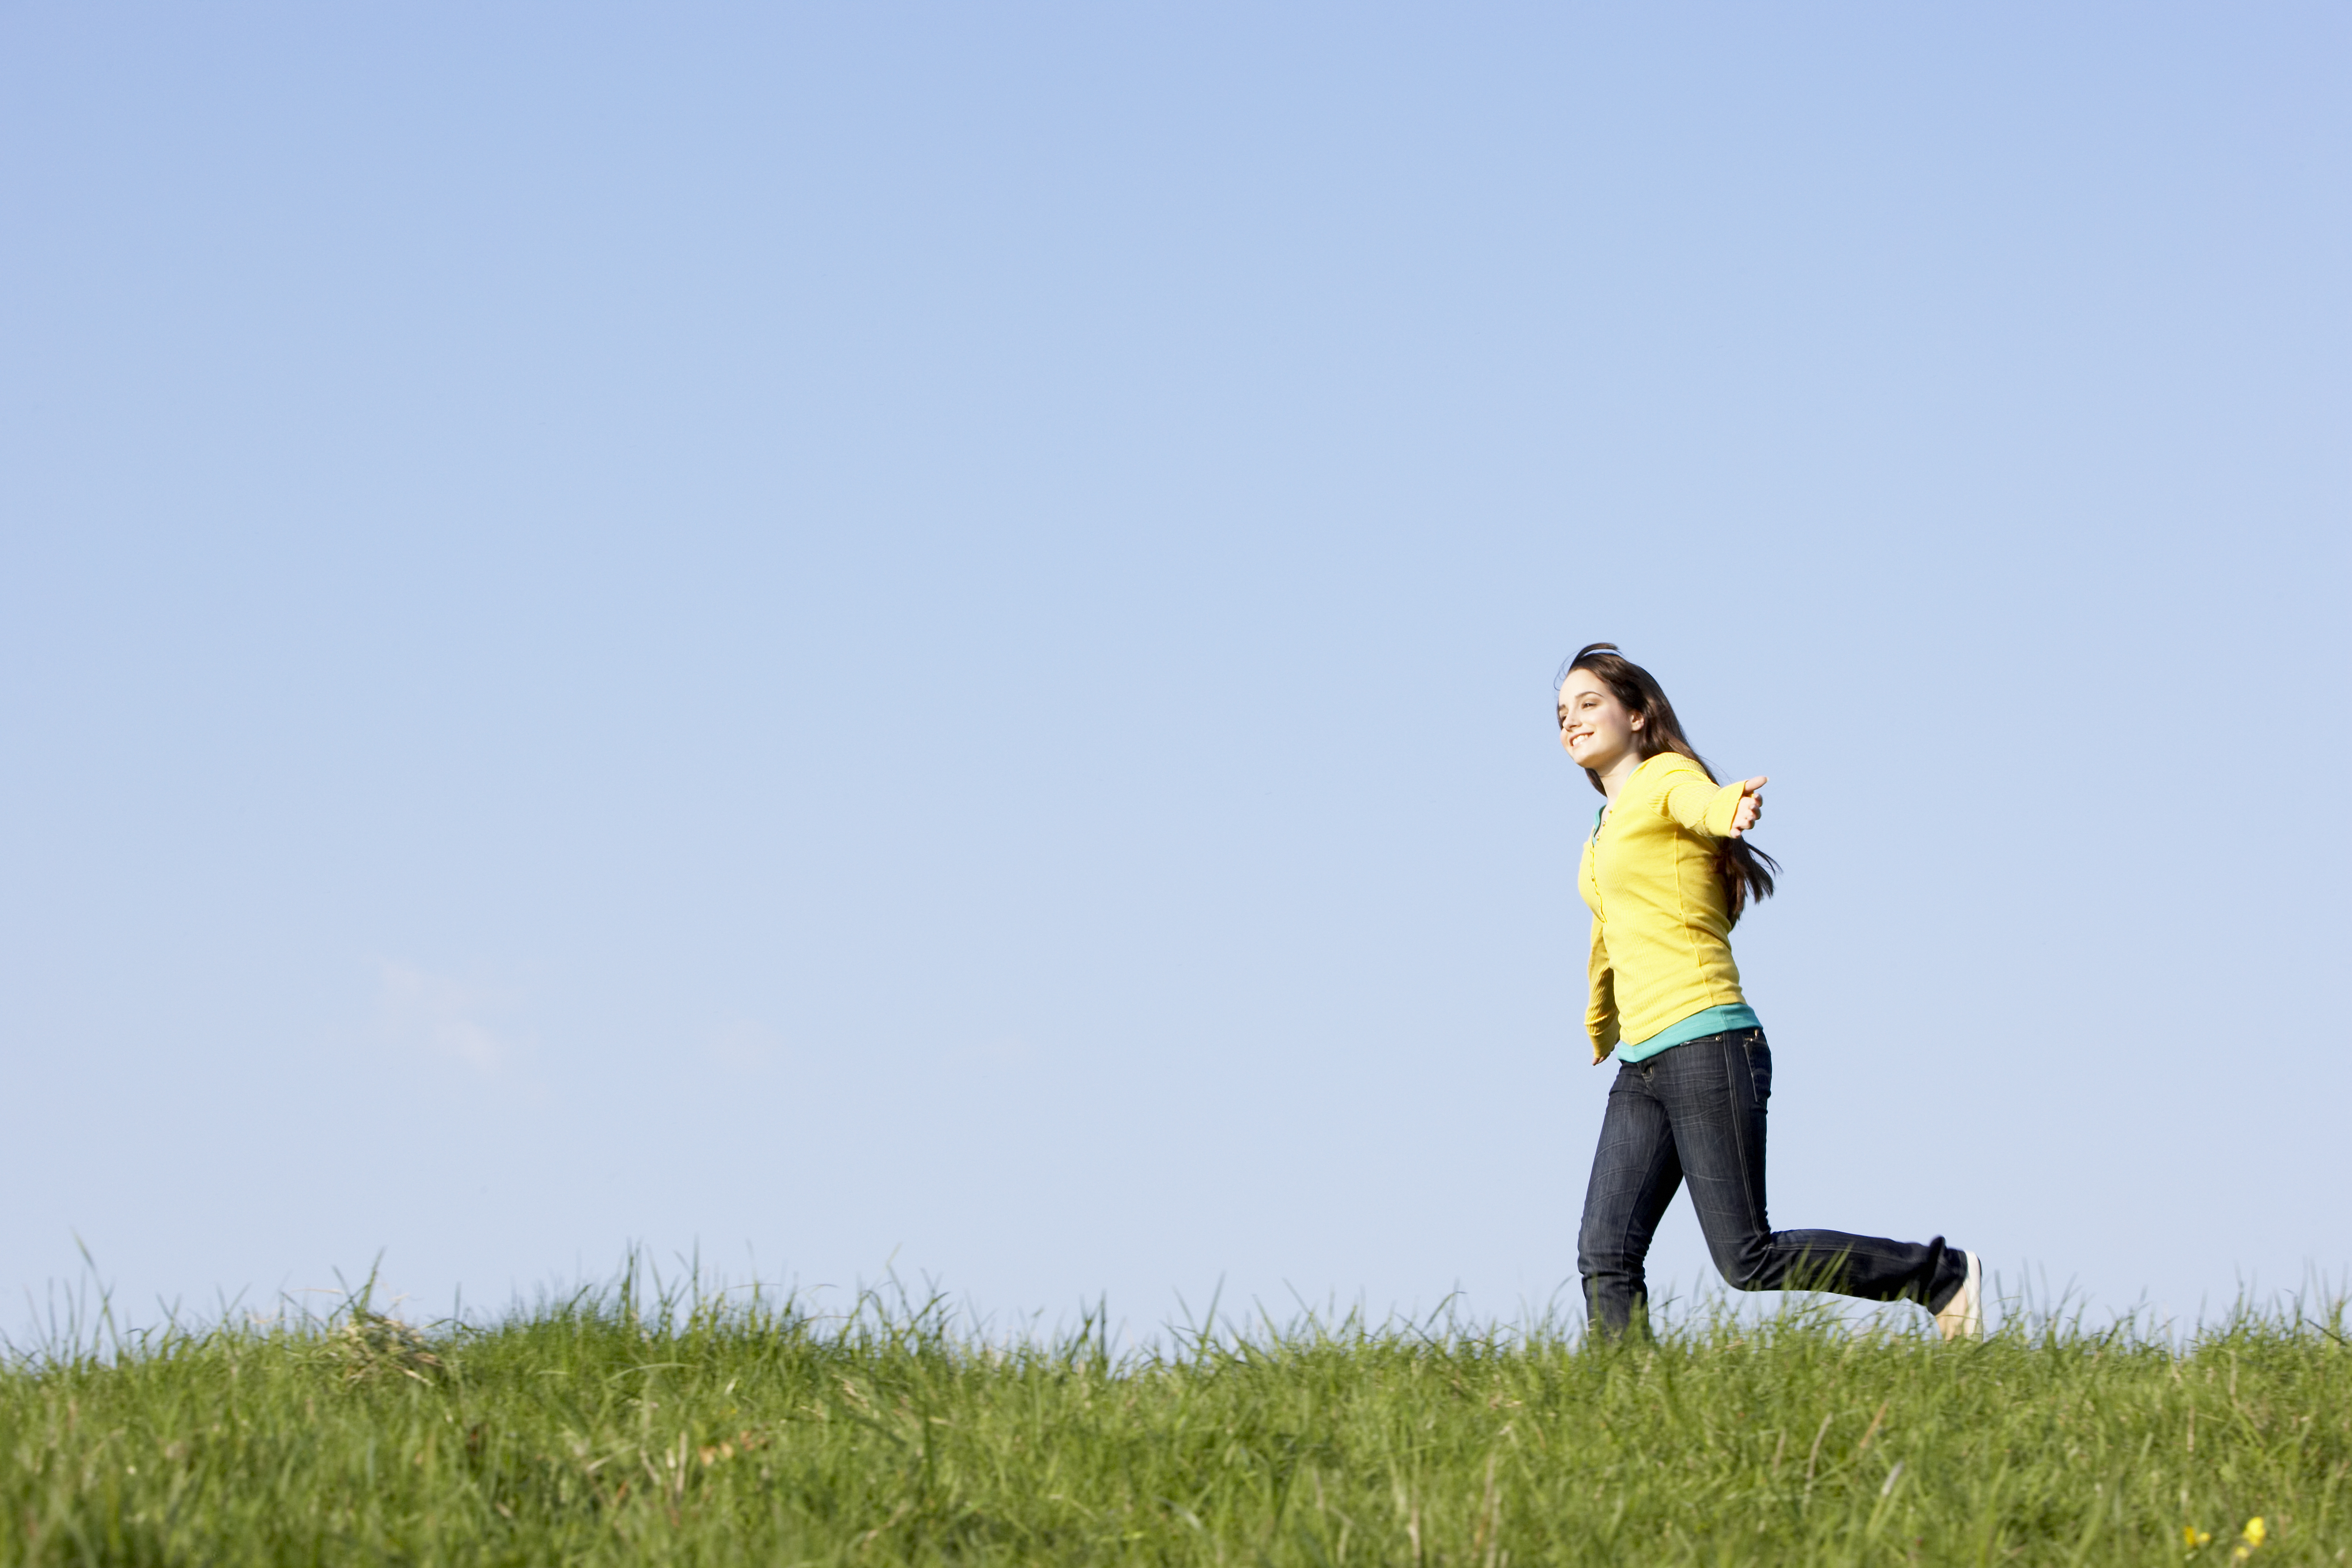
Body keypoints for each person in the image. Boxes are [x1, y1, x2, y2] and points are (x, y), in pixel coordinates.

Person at [1557, 642, 1982, 1341]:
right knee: (1604, 1252)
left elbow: (1700, 800)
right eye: (1563, 713)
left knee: (1746, 1258)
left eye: (1589, 704)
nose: (1571, 721)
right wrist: (1602, 1024)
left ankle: (1940, 1276)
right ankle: (1625, 1415)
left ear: (1637, 715)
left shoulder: (1666, 778)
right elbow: (1611, 935)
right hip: (1644, 1060)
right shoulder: (1600, 834)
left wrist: (1729, 810)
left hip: (1707, 1042)